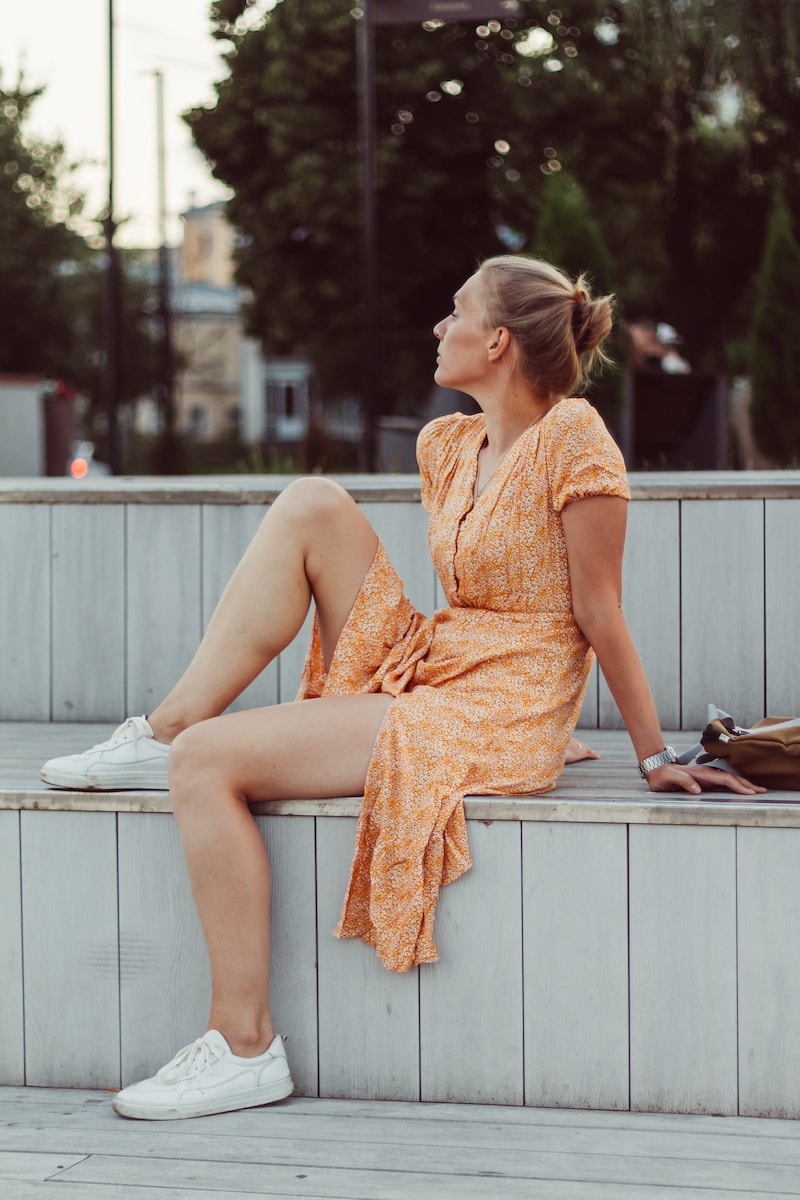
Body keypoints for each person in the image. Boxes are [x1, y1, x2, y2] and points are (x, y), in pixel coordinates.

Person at [40, 254, 765, 1122]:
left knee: (205, 764)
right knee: (311, 502)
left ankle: (244, 1047)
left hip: (500, 702)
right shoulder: (448, 444)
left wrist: (651, 755)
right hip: (440, 658)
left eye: (455, 312)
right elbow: (481, 594)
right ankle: (163, 728)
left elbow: (598, 611)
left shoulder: (574, 438)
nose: (438, 327)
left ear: (497, 342)